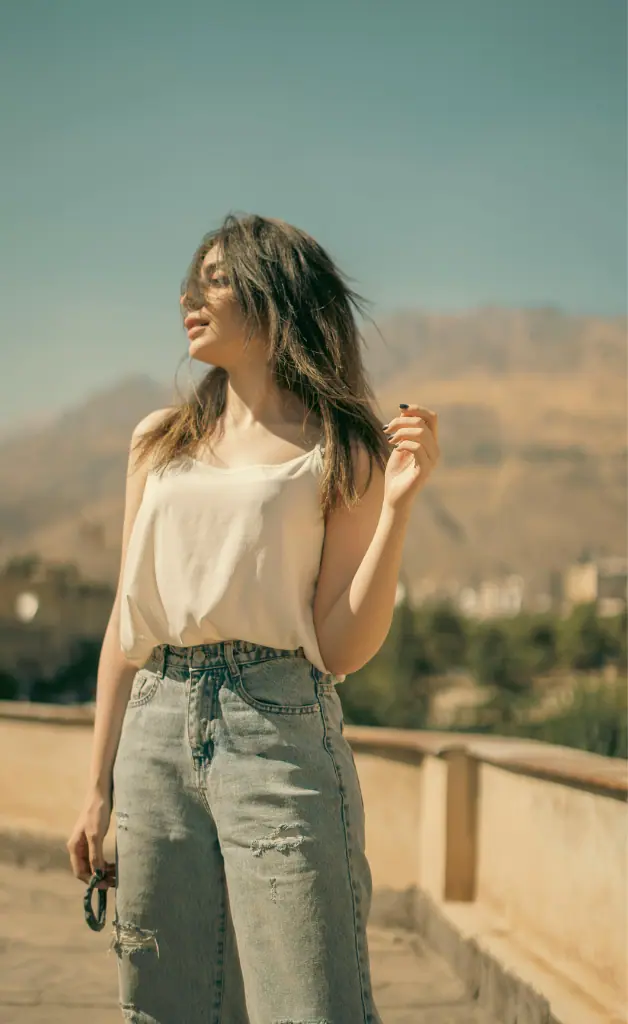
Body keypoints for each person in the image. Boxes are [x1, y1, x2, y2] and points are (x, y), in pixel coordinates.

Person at [66, 212, 440, 1024]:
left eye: (216, 279)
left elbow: (340, 645)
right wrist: (96, 788)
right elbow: (126, 624)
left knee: (309, 1006)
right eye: (190, 281)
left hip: (278, 729)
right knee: (163, 1006)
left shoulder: (342, 449)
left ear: (274, 300)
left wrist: (396, 514)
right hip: (155, 736)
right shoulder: (157, 442)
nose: (187, 298)